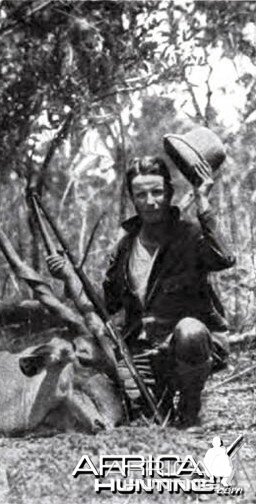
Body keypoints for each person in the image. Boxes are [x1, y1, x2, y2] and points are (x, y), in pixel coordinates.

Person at [48, 155, 235, 427]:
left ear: (169, 193)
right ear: (133, 200)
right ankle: (148, 404)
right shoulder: (124, 249)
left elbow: (224, 258)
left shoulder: (190, 235)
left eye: (157, 192)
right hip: (142, 353)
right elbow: (107, 306)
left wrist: (203, 202)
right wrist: (67, 275)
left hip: (187, 347)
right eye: (141, 194)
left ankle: (190, 405)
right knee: (146, 416)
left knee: (190, 330)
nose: (150, 201)